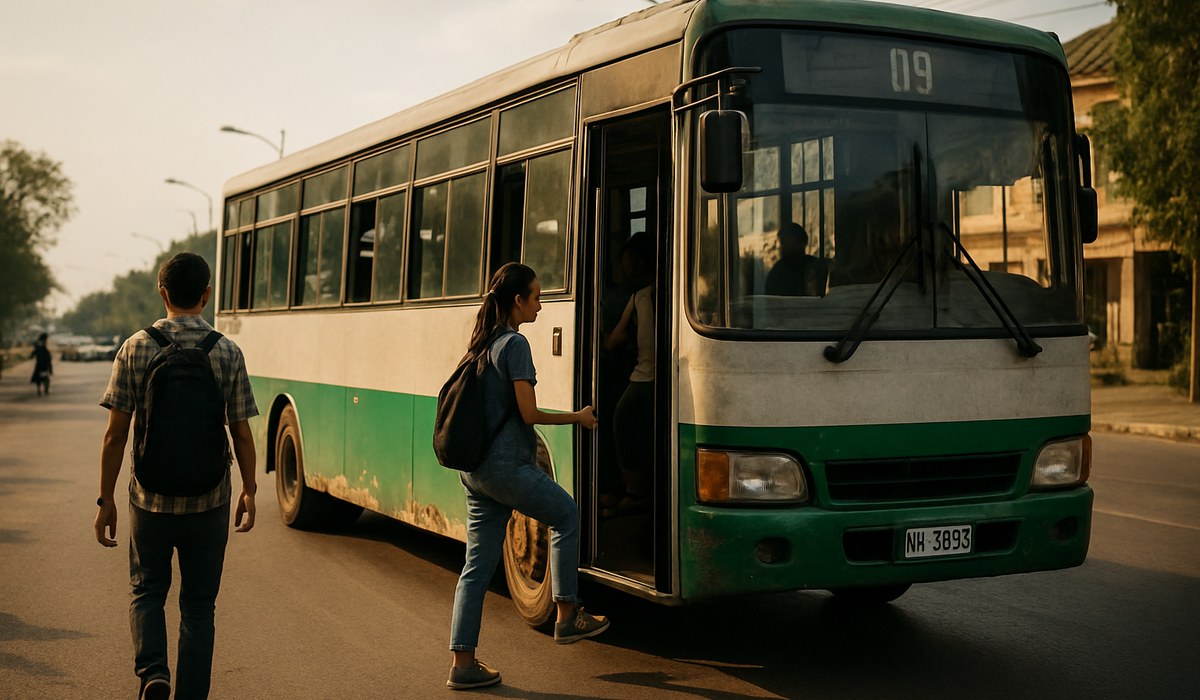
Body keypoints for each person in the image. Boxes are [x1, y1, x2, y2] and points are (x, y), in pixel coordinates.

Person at [93, 252, 259, 700]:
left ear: (162, 293)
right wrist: (250, 491)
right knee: (199, 606)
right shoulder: (227, 350)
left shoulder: (135, 347)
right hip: (209, 500)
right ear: (207, 295)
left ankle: (153, 675)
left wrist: (106, 499)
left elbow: (114, 436)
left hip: (149, 498)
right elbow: (241, 433)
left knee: (147, 590)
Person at [447, 262, 608, 690]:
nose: (541, 304)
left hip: (475, 472)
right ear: (517, 300)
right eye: (536, 296)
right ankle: (567, 614)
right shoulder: (515, 345)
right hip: (505, 468)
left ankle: (463, 664)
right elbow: (529, 413)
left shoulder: (481, 343)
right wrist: (579, 417)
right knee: (567, 514)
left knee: (476, 568)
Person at [604, 232, 655, 513]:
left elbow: (612, 341)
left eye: (627, 261)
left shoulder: (639, 297)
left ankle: (634, 492)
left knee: (621, 418)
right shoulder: (666, 290)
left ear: (639, 263)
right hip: (660, 378)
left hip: (644, 377)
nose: (623, 267)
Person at [765, 223, 828, 296]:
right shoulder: (778, 270)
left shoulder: (815, 267)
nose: (781, 247)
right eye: (782, 242)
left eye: (785, 242)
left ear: (801, 242)